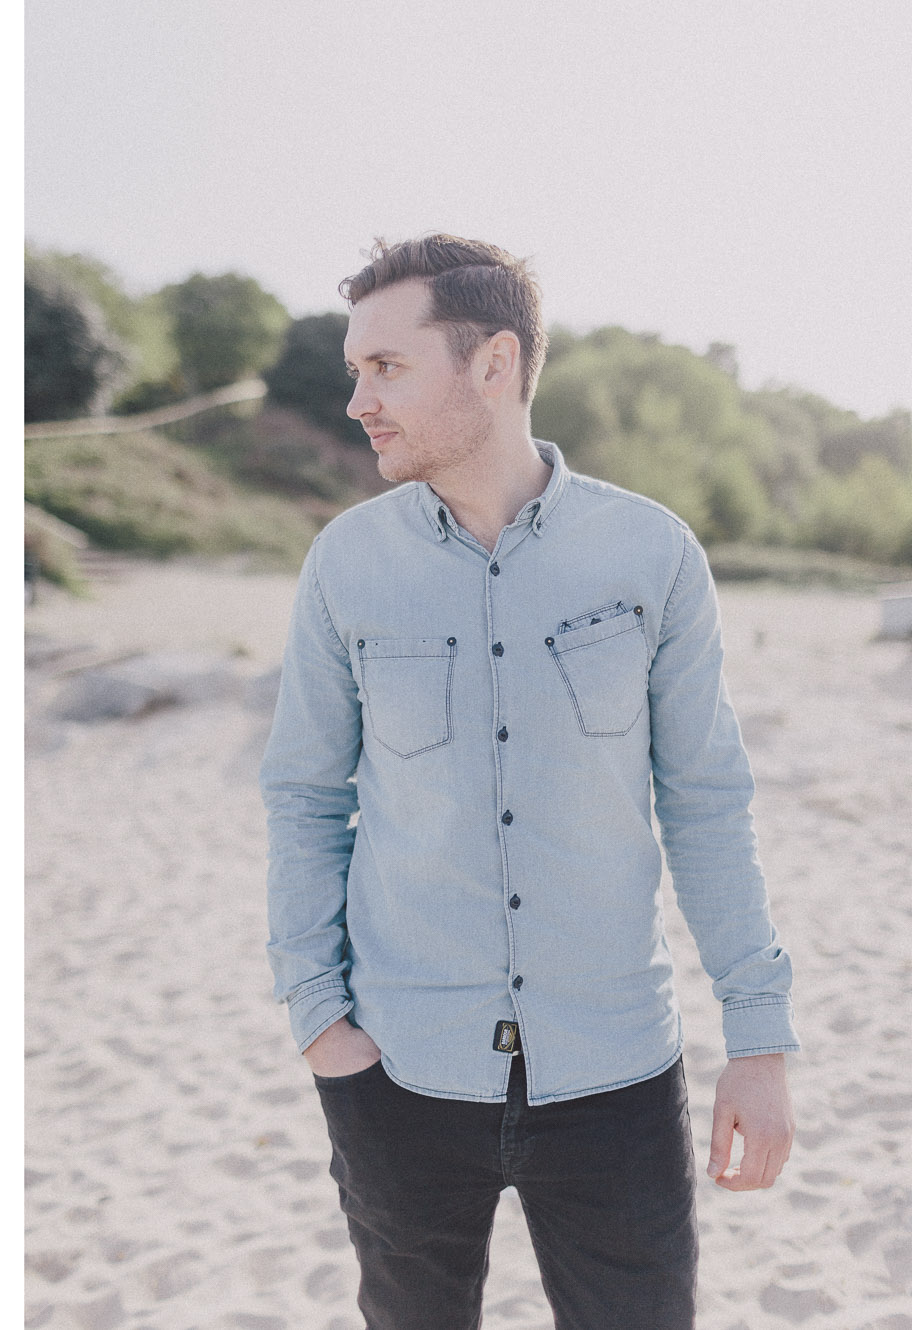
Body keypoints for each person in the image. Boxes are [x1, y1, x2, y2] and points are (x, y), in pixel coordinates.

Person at [259, 234, 797, 1329]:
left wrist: (758, 1040)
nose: (358, 400)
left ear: (494, 363)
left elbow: (706, 802)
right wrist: (318, 1017)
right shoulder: (346, 565)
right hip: (399, 1076)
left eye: (386, 367)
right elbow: (305, 797)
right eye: (356, 369)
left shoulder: (652, 554)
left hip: (616, 1076)